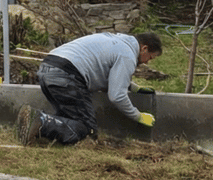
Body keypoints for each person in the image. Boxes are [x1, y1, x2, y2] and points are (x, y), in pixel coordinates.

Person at [16, 31, 162, 147]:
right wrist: (137, 115)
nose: (147, 62)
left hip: (48, 67)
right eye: (150, 57)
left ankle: (37, 124)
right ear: (144, 48)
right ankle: (41, 121)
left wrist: (133, 88)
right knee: (86, 129)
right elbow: (116, 96)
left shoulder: (114, 39)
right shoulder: (128, 55)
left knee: (70, 119)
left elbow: (107, 74)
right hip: (67, 74)